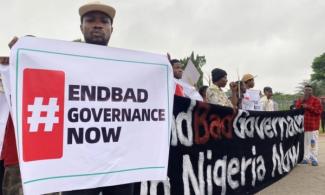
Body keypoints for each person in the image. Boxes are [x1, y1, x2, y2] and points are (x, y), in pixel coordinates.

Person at [6, 1, 134, 195]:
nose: (97, 25)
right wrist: (21, 56)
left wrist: (162, 71)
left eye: (104, 21)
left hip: (118, 165)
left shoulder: (131, 68)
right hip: (76, 167)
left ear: (111, 28)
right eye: (90, 20)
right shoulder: (60, 61)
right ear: (81, 27)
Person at [296, 85, 323, 166]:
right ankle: (306, 158)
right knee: (305, 143)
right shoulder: (301, 99)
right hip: (304, 126)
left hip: (313, 127)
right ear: (304, 91)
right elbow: (296, 109)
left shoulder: (316, 100)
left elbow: (319, 111)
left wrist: (308, 107)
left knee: (313, 143)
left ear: (312, 91)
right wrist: (301, 102)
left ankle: (314, 159)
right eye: (306, 90)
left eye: (309, 90)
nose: (308, 91)